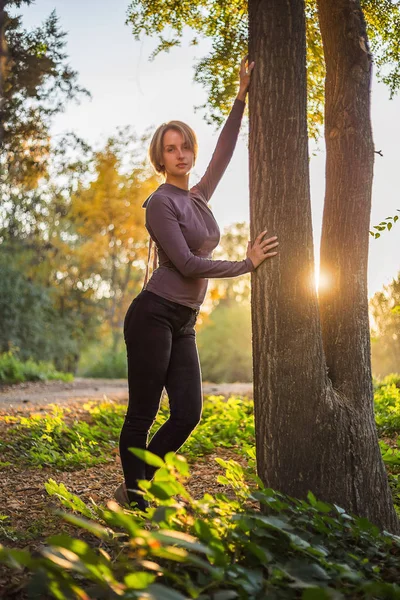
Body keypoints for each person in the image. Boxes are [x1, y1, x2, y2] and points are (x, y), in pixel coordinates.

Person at [115, 56, 279, 509]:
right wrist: (245, 264)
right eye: (171, 148)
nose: (181, 153)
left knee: (188, 414)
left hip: (183, 319)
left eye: (186, 145)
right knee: (143, 414)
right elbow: (187, 264)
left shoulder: (198, 196)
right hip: (152, 315)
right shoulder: (160, 204)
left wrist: (241, 96)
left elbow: (224, 153)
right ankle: (136, 502)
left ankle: (137, 482)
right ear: (160, 157)